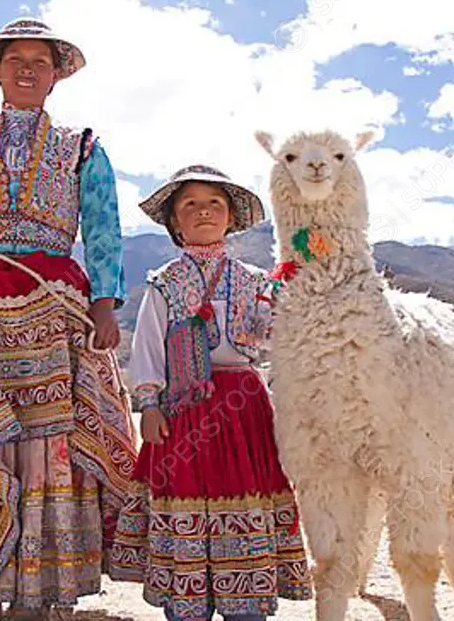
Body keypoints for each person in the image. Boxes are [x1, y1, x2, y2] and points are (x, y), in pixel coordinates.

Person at [0, 18, 137, 621]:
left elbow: (104, 228)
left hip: (56, 301)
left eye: (41, 62)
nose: (29, 70)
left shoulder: (83, 147)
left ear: (57, 76)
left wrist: (106, 303)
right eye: (18, 61)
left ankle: (42, 585)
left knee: (47, 438)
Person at [108, 165, 313, 621]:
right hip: (182, 408)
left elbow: (266, 336)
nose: (203, 211)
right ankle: (188, 604)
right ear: (175, 222)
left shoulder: (254, 280)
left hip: (243, 408)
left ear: (231, 216)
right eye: (190, 205)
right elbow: (147, 344)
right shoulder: (164, 282)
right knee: (185, 492)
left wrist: (286, 296)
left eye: (214, 203)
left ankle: (245, 605)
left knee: (247, 493)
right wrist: (149, 402)